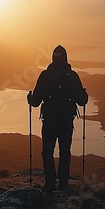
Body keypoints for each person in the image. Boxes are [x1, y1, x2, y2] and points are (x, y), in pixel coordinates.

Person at [27, 45, 88, 192]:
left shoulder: (45, 76)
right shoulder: (72, 76)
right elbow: (82, 101)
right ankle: (63, 183)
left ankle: (49, 184)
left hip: (49, 120)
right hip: (66, 120)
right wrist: (84, 94)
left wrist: (29, 98)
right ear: (66, 58)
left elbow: (35, 102)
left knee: (47, 151)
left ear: (53, 58)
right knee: (65, 150)